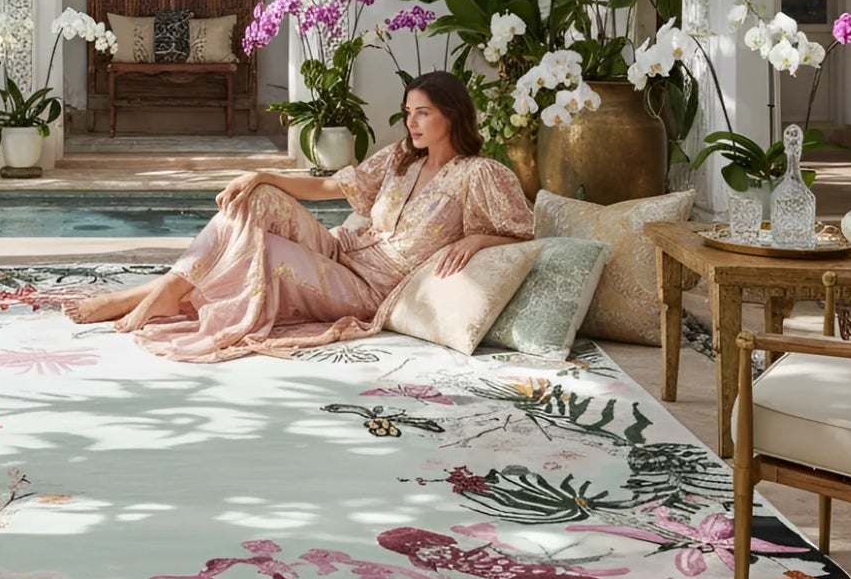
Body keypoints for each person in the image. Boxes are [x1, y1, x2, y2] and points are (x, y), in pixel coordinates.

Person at [70, 70, 534, 363]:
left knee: (264, 251)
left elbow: (522, 230)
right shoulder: (400, 158)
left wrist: (476, 239)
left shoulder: (480, 174)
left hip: (369, 288)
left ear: (452, 116)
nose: (411, 123)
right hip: (341, 249)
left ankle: (140, 296)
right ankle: (169, 292)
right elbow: (332, 187)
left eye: (423, 113)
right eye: (408, 112)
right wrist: (262, 174)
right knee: (255, 201)